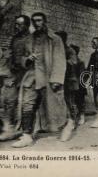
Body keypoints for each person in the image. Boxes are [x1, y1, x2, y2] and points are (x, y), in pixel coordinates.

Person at [12, 12, 68, 148]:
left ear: (45, 21)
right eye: (34, 21)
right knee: (27, 104)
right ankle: (27, 135)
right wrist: (27, 59)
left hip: (48, 78)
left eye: (39, 20)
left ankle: (66, 125)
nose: (37, 23)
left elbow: (60, 60)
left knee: (56, 106)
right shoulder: (29, 39)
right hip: (32, 78)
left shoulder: (54, 39)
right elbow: (21, 59)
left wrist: (56, 79)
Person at [0, 15, 31, 141]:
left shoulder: (31, 39)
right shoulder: (15, 38)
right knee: (8, 100)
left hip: (26, 75)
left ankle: (23, 129)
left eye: (20, 24)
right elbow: (10, 54)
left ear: (27, 25)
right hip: (13, 73)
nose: (17, 26)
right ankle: (9, 129)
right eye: (16, 24)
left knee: (26, 103)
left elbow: (31, 58)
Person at [70, 44, 87, 125]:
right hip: (71, 85)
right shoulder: (69, 61)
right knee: (73, 103)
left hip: (79, 86)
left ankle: (82, 116)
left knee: (80, 102)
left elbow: (82, 75)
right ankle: (73, 119)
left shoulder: (80, 62)